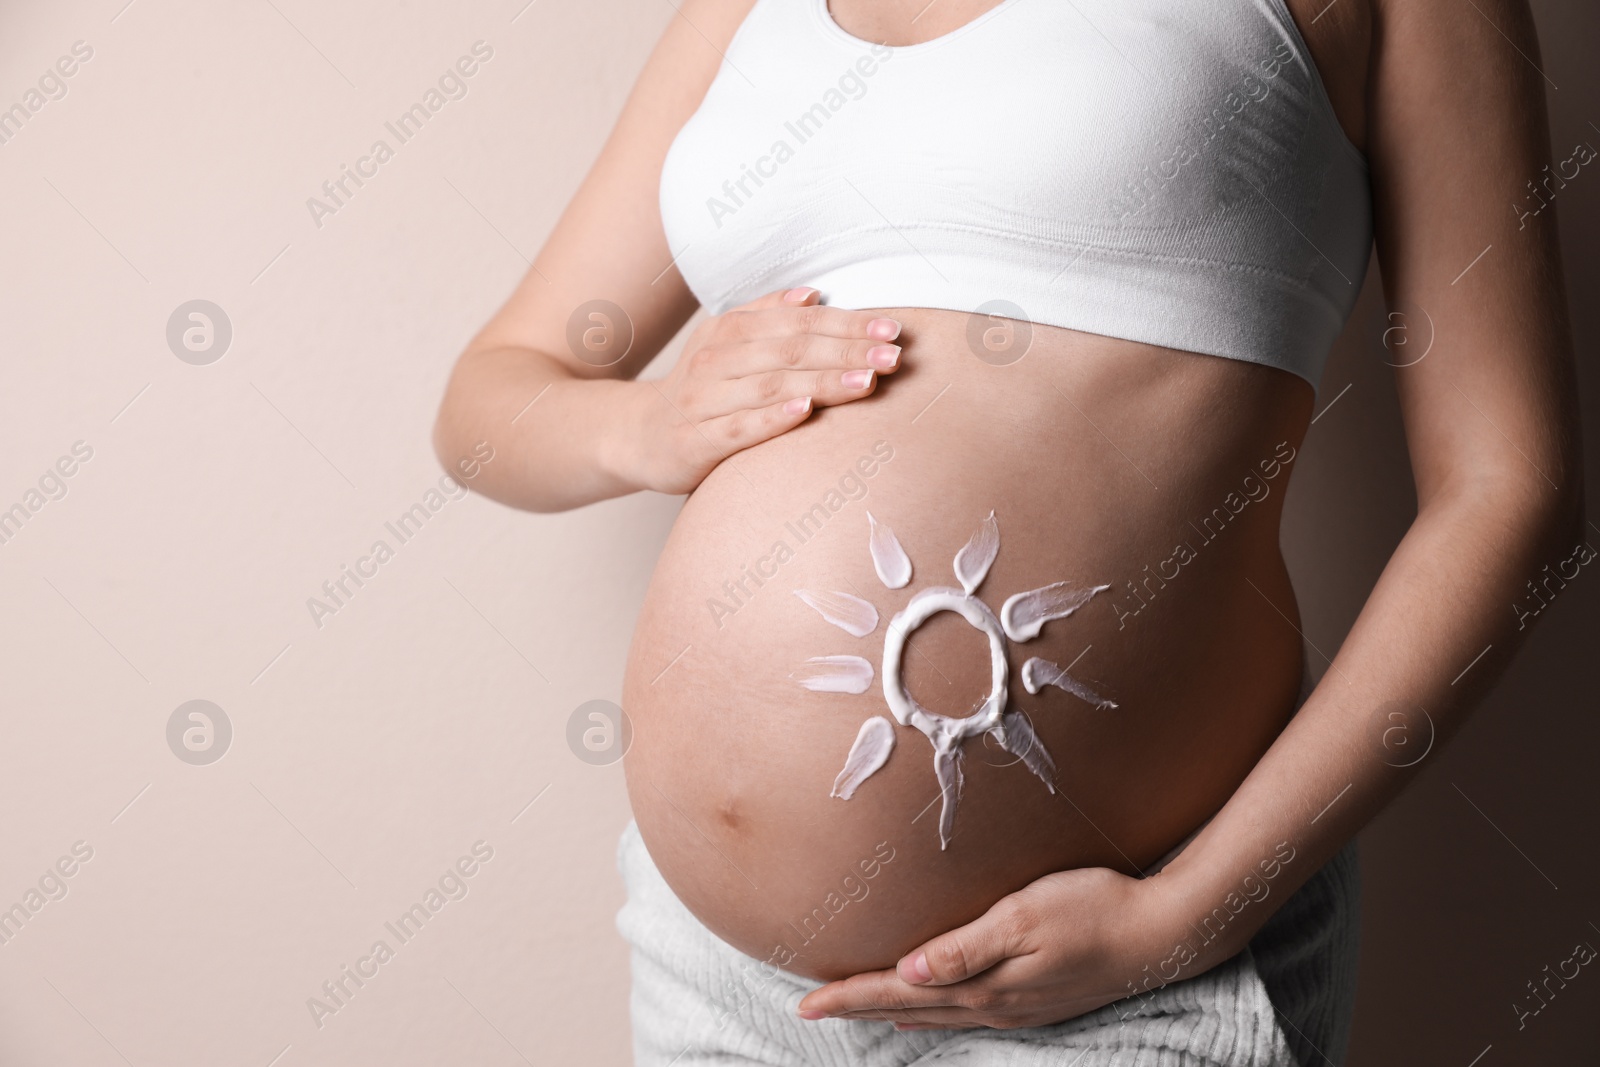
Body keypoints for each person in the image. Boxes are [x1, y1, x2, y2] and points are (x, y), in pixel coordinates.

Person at [433, 0, 1584, 1062]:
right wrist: (645, 420)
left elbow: (1508, 486)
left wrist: (1185, 916)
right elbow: (487, 402)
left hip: (1127, 963)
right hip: (726, 976)